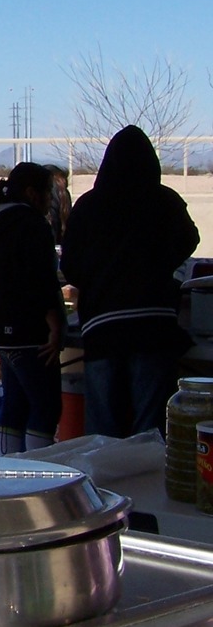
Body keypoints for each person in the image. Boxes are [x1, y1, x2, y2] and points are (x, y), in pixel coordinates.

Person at [61, 125, 199, 438]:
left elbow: (70, 265)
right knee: (150, 432)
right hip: (155, 327)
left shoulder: (89, 206)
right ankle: (144, 487)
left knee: (104, 432)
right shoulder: (165, 201)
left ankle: (104, 487)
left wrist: (97, 281)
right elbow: (189, 240)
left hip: (102, 329)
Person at [0, 162, 65, 454]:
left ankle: (8, 468)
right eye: (48, 192)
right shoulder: (32, 225)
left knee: (15, 403)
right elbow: (40, 279)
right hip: (28, 331)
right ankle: (39, 470)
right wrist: (55, 322)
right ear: (32, 193)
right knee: (45, 405)